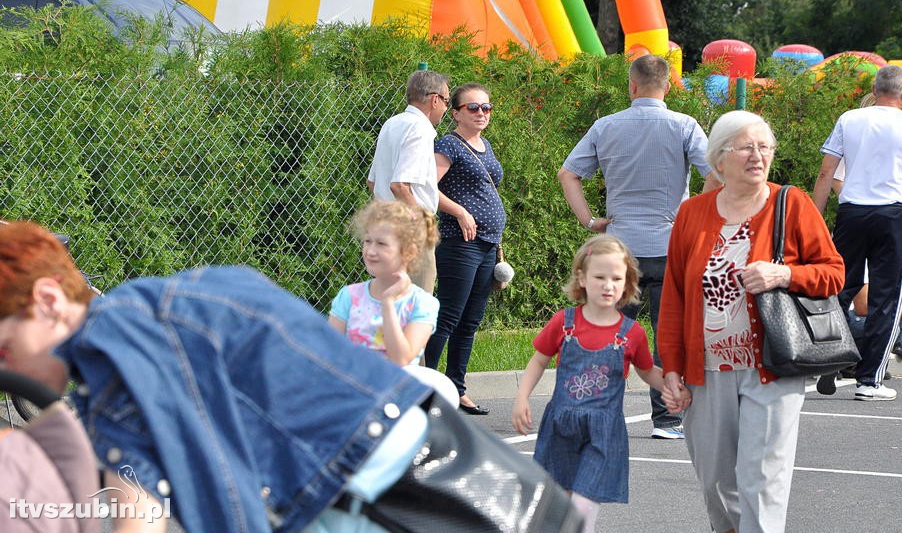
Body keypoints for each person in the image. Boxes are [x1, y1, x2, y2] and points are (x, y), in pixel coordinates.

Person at [0, 221, 583, 533]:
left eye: (4, 346)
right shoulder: (165, 310)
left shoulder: (117, 338)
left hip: (410, 492)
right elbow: (139, 489)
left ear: (49, 298)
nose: (7, 370)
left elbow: (208, 475)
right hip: (411, 469)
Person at [658, 110, 845, 533]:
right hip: (705, 370)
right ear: (720, 159)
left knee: (761, 482)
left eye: (765, 147)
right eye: (746, 147)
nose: (757, 156)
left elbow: (834, 271)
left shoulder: (791, 203)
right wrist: (670, 367)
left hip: (772, 366)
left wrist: (786, 274)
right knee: (716, 482)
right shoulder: (692, 213)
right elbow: (674, 297)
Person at [557, 53, 719, 440]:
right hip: (670, 245)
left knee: (608, 331)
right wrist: (691, 214)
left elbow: (568, 174)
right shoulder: (685, 125)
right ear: (667, 85)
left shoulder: (606, 126)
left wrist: (590, 220)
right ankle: (666, 420)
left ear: (631, 85)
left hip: (619, 248)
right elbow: (715, 175)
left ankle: (597, 414)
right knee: (668, 337)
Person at [512, 234, 664, 533]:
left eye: (616, 278)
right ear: (581, 277)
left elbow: (647, 371)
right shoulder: (564, 322)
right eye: (599, 277)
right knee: (561, 502)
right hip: (561, 428)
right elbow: (538, 360)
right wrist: (521, 398)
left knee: (583, 504)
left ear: (628, 282)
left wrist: (672, 387)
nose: (608, 285)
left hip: (603, 433)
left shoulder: (631, 333)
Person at [812, 65, 902, 401]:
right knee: (887, 298)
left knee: (839, 287)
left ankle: (828, 354)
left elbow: (826, 174)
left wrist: (813, 220)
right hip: (893, 214)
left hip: (852, 211)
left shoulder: (850, 119)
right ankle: (870, 380)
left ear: (874, 87)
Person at [423, 83, 505, 415]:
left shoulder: (484, 145)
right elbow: (429, 187)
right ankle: (426, 388)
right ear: (455, 113)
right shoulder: (449, 145)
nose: (482, 113)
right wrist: (460, 211)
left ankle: (456, 388)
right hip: (461, 243)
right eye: (473, 108)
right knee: (449, 316)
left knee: (470, 320)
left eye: (486, 107)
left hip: (487, 243)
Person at [367, 68, 451, 290]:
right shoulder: (420, 129)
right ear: (434, 100)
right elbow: (400, 185)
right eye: (446, 101)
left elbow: (373, 182)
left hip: (385, 224)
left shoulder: (391, 123)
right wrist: (423, 223)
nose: (445, 108)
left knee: (388, 300)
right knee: (417, 303)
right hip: (409, 228)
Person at [328, 200, 440, 366]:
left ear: (409, 252)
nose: (370, 251)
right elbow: (328, 352)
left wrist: (388, 304)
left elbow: (400, 360)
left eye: (381, 244)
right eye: (367, 241)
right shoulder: (349, 296)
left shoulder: (423, 303)